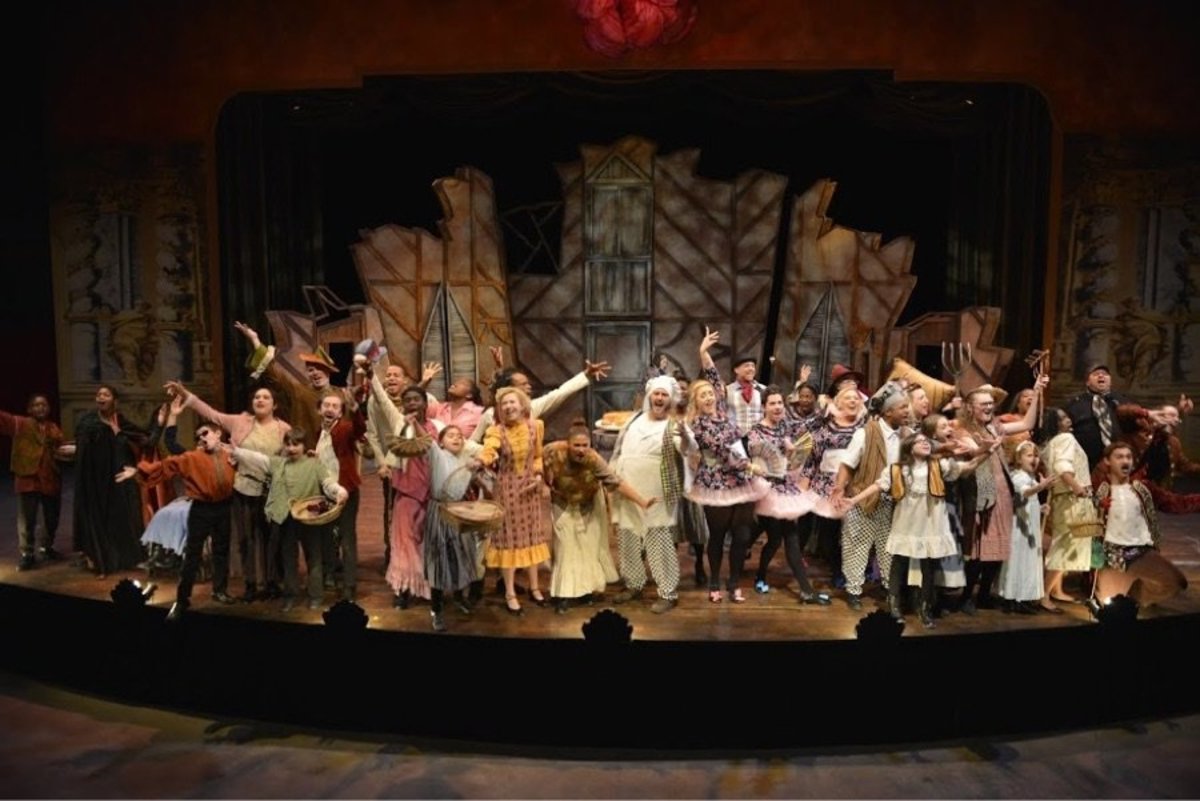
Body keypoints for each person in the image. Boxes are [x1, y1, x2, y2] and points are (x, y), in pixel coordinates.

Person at [843, 431, 991, 628]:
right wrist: (853, 500)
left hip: (931, 522)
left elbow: (969, 466)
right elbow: (878, 486)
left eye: (926, 441)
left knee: (928, 566)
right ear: (909, 448)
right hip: (907, 521)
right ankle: (894, 606)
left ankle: (924, 607)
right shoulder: (898, 469)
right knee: (899, 563)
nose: (925, 443)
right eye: (919, 441)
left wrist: (989, 451)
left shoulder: (939, 465)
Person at [168, 380, 291, 602]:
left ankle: (272, 583)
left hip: (271, 490)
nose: (260, 400)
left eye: (265, 397)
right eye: (257, 397)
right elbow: (210, 413)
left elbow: (289, 459)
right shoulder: (240, 421)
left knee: (271, 539)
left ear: (274, 405)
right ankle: (251, 584)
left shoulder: (284, 429)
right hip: (244, 489)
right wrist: (186, 394)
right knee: (246, 539)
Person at [116, 421, 239, 619]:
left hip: (223, 508)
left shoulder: (230, 455)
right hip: (201, 509)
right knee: (192, 555)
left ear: (218, 433)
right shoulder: (192, 458)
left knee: (221, 552)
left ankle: (220, 591)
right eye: (198, 436)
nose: (202, 438)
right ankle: (182, 600)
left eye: (205, 433)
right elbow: (166, 466)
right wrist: (138, 471)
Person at [949, 376, 1048, 613]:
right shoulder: (963, 430)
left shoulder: (994, 426)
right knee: (978, 551)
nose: (989, 407)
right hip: (981, 496)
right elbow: (974, 452)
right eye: (983, 403)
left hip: (1003, 494)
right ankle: (966, 597)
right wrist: (985, 447)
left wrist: (1037, 393)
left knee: (998, 549)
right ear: (970, 407)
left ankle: (984, 595)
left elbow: (1027, 423)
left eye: (990, 403)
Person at [686, 327, 769, 603]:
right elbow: (722, 451)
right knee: (718, 536)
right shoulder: (699, 424)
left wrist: (703, 352)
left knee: (742, 535)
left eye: (711, 394)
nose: (709, 397)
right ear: (696, 402)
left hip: (740, 480)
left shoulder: (721, 409)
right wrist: (750, 467)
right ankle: (714, 581)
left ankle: (734, 582)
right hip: (717, 481)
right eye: (703, 396)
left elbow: (713, 376)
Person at [231, 428, 348, 611]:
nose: (292, 448)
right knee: (288, 559)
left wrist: (339, 491)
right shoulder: (279, 464)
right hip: (286, 518)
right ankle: (291, 595)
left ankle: (316, 596)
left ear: (304, 445)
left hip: (310, 519)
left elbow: (328, 483)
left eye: (296, 444)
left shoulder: (314, 464)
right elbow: (258, 459)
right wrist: (236, 452)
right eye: (288, 444)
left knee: (314, 558)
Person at [546, 419, 656, 614]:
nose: (581, 450)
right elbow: (536, 465)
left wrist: (642, 501)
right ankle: (563, 594)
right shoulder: (554, 451)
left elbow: (617, 482)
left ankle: (585, 591)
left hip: (589, 502)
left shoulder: (594, 459)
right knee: (565, 548)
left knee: (588, 549)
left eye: (585, 445)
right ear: (568, 444)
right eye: (576, 445)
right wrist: (542, 481)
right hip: (563, 503)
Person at [607, 375, 689, 613]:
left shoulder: (673, 425)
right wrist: (612, 478)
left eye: (664, 395)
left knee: (658, 539)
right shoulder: (633, 420)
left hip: (656, 490)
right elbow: (619, 451)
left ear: (670, 399)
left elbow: (685, 450)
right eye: (656, 394)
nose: (660, 398)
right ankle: (634, 584)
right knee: (628, 537)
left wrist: (685, 437)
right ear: (650, 396)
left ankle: (668, 592)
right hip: (627, 487)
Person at [747, 386, 829, 605]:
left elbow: (800, 436)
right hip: (767, 490)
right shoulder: (756, 431)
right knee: (776, 539)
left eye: (780, 403)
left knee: (788, 538)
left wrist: (792, 450)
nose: (777, 407)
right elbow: (759, 457)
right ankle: (762, 576)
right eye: (772, 403)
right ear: (764, 407)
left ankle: (804, 589)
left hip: (785, 487)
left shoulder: (784, 426)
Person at [475, 386, 552, 614]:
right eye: (504, 404)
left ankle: (535, 588)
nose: (508, 407)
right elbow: (490, 450)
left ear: (522, 404)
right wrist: (482, 459)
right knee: (509, 540)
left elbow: (537, 456)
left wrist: (538, 476)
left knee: (531, 536)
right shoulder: (496, 431)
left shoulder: (535, 427)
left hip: (530, 491)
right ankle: (510, 592)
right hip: (507, 491)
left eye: (512, 402)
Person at [1093, 442, 1188, 607]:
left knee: (1176, 583)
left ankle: (1135, 596)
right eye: (1119, 457)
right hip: (1111, 558)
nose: (1125, 461)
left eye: (1128, 457)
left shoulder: (1142, 488)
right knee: (1108, 607)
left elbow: (1176, 503)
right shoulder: (1099, 488)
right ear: (1107, 461)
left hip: (1139, 553)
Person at [236, 321, 354, 449]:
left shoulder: (341, 395)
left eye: (320, 368)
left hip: (334, 454)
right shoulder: (299, 391)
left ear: (329, 371)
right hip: (304, 453)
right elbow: (274, 374)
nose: (315, 373)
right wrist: (255, 340)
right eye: (311, 370)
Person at [72, 384, 149, 577]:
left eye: (106, 394)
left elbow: (143, 438)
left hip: (118, 478)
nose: (101, 397)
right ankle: (101, 561)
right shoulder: (88, 422)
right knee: (98, 518)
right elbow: (83, 451)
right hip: (95, 480)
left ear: (115, 400)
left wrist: (119, 435)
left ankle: (126, 559)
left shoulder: (119, 421)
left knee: (123, 517)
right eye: (98, 394)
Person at [423, 425, 484, 631]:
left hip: (459, 511)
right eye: (451, 436)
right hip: (440, 511)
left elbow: (485, 458)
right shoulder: (437, 454)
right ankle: (436, 609)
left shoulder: (465, 461)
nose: (456, 439)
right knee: (439, 560)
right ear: (441, 441)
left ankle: (459, 597)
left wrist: (478, 465)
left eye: (459, 436)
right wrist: (413, 423)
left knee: (462, 555)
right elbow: (426, 440)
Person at [1, 394, 65, 571]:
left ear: (48, 408)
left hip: (50, 477)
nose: (40, 408)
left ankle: (46, 547)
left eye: (44, 404)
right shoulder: (21, 423)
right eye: (36, 405)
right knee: (27, 519)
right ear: (29, 409)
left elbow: (60, 448)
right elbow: (3, 419)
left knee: (51, 516)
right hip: (28, 478)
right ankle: (27, 554)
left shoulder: (53, 428)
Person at [1039, 406, 1094, 612]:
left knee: (1067, 544)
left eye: (1067, 416)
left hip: (1065, 498)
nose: (1068, 419)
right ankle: (1044, 594)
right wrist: (1077, 487)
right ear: (1054, 423)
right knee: (1066, 546)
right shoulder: (1065, 439)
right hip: (1073, 498)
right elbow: (1062, 467)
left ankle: (1056, 589)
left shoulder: (1051, 443)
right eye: (1062, 418)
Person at [314, 390, 367, 601]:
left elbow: (358, 429)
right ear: (319, 409)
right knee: (327, 536)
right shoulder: (318, 432)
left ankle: (349, 585)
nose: (330, 409)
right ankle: (330, 575)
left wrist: (355, 409)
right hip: (325, 491)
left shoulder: (344, 428)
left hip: (346, 491)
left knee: (347, 538)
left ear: (340, 412)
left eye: (335, 406)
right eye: (326, 405)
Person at [997, 441, 1057, 614]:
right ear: (1019, 459)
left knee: (1028, 560)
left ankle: (1023, 596)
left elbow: (1029, 501)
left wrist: (1040, 507)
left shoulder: (1030, 477)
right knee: (1019, 559)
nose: (1034, 459)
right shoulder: (1018, 476)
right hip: (1020, 528)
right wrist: (1041, 487)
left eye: (1036, 456)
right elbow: (1024, 493)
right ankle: (1013, 597)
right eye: (1029, 455)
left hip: (1030, 525)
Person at [1064, 364, 1127, 469]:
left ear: (1110, 381)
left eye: (1105, 374)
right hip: (1085, 463)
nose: (1101, 376)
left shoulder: (1122, 401)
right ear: (1087, 382)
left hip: (1117, 463)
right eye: (1096, 374)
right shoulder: (1075, 404)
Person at [725, 355, 766, 436]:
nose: (751, 369)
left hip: (759, 437)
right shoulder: (728, 391)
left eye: (753, 366)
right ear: (736, 370)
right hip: (735, 438)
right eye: (746, 366)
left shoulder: (763, 390)